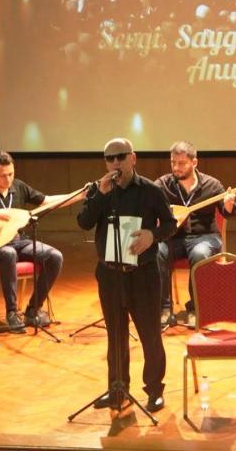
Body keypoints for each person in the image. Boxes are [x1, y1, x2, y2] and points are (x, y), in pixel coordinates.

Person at [76, 138, 176, 413]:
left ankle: (154, 390)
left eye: (121, 156)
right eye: (110, 158)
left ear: (133, 158)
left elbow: (170, 224)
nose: (115, 163)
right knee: (116, 336)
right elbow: (84, 222)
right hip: (110, 275)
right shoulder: (100, 190)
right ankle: (117, 390)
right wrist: (100, 195)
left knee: (150, 335)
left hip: (142, 274)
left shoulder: (151, 190)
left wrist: (152, 235)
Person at [0, 151, 83, 333]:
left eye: (11, 174)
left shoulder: (19, 187)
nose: (8, 180)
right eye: (3, 175)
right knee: (8, 254)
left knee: (54, 257)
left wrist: (78, 195)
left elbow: (46, 201)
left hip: (18, 241)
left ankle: (33, 309)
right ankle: (12, 313)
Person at [154, 141, 236, 327]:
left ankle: (196, 309)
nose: (176, 167)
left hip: (204, 236)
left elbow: (228, 213)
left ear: (194, 162)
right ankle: (164, 308)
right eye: (173, 162)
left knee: (200, 254)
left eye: (181, 163)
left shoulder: (212, 184)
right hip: (173, 238)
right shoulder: (163, 185)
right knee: (157, 252)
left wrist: (229, 205)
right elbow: (147, 205)